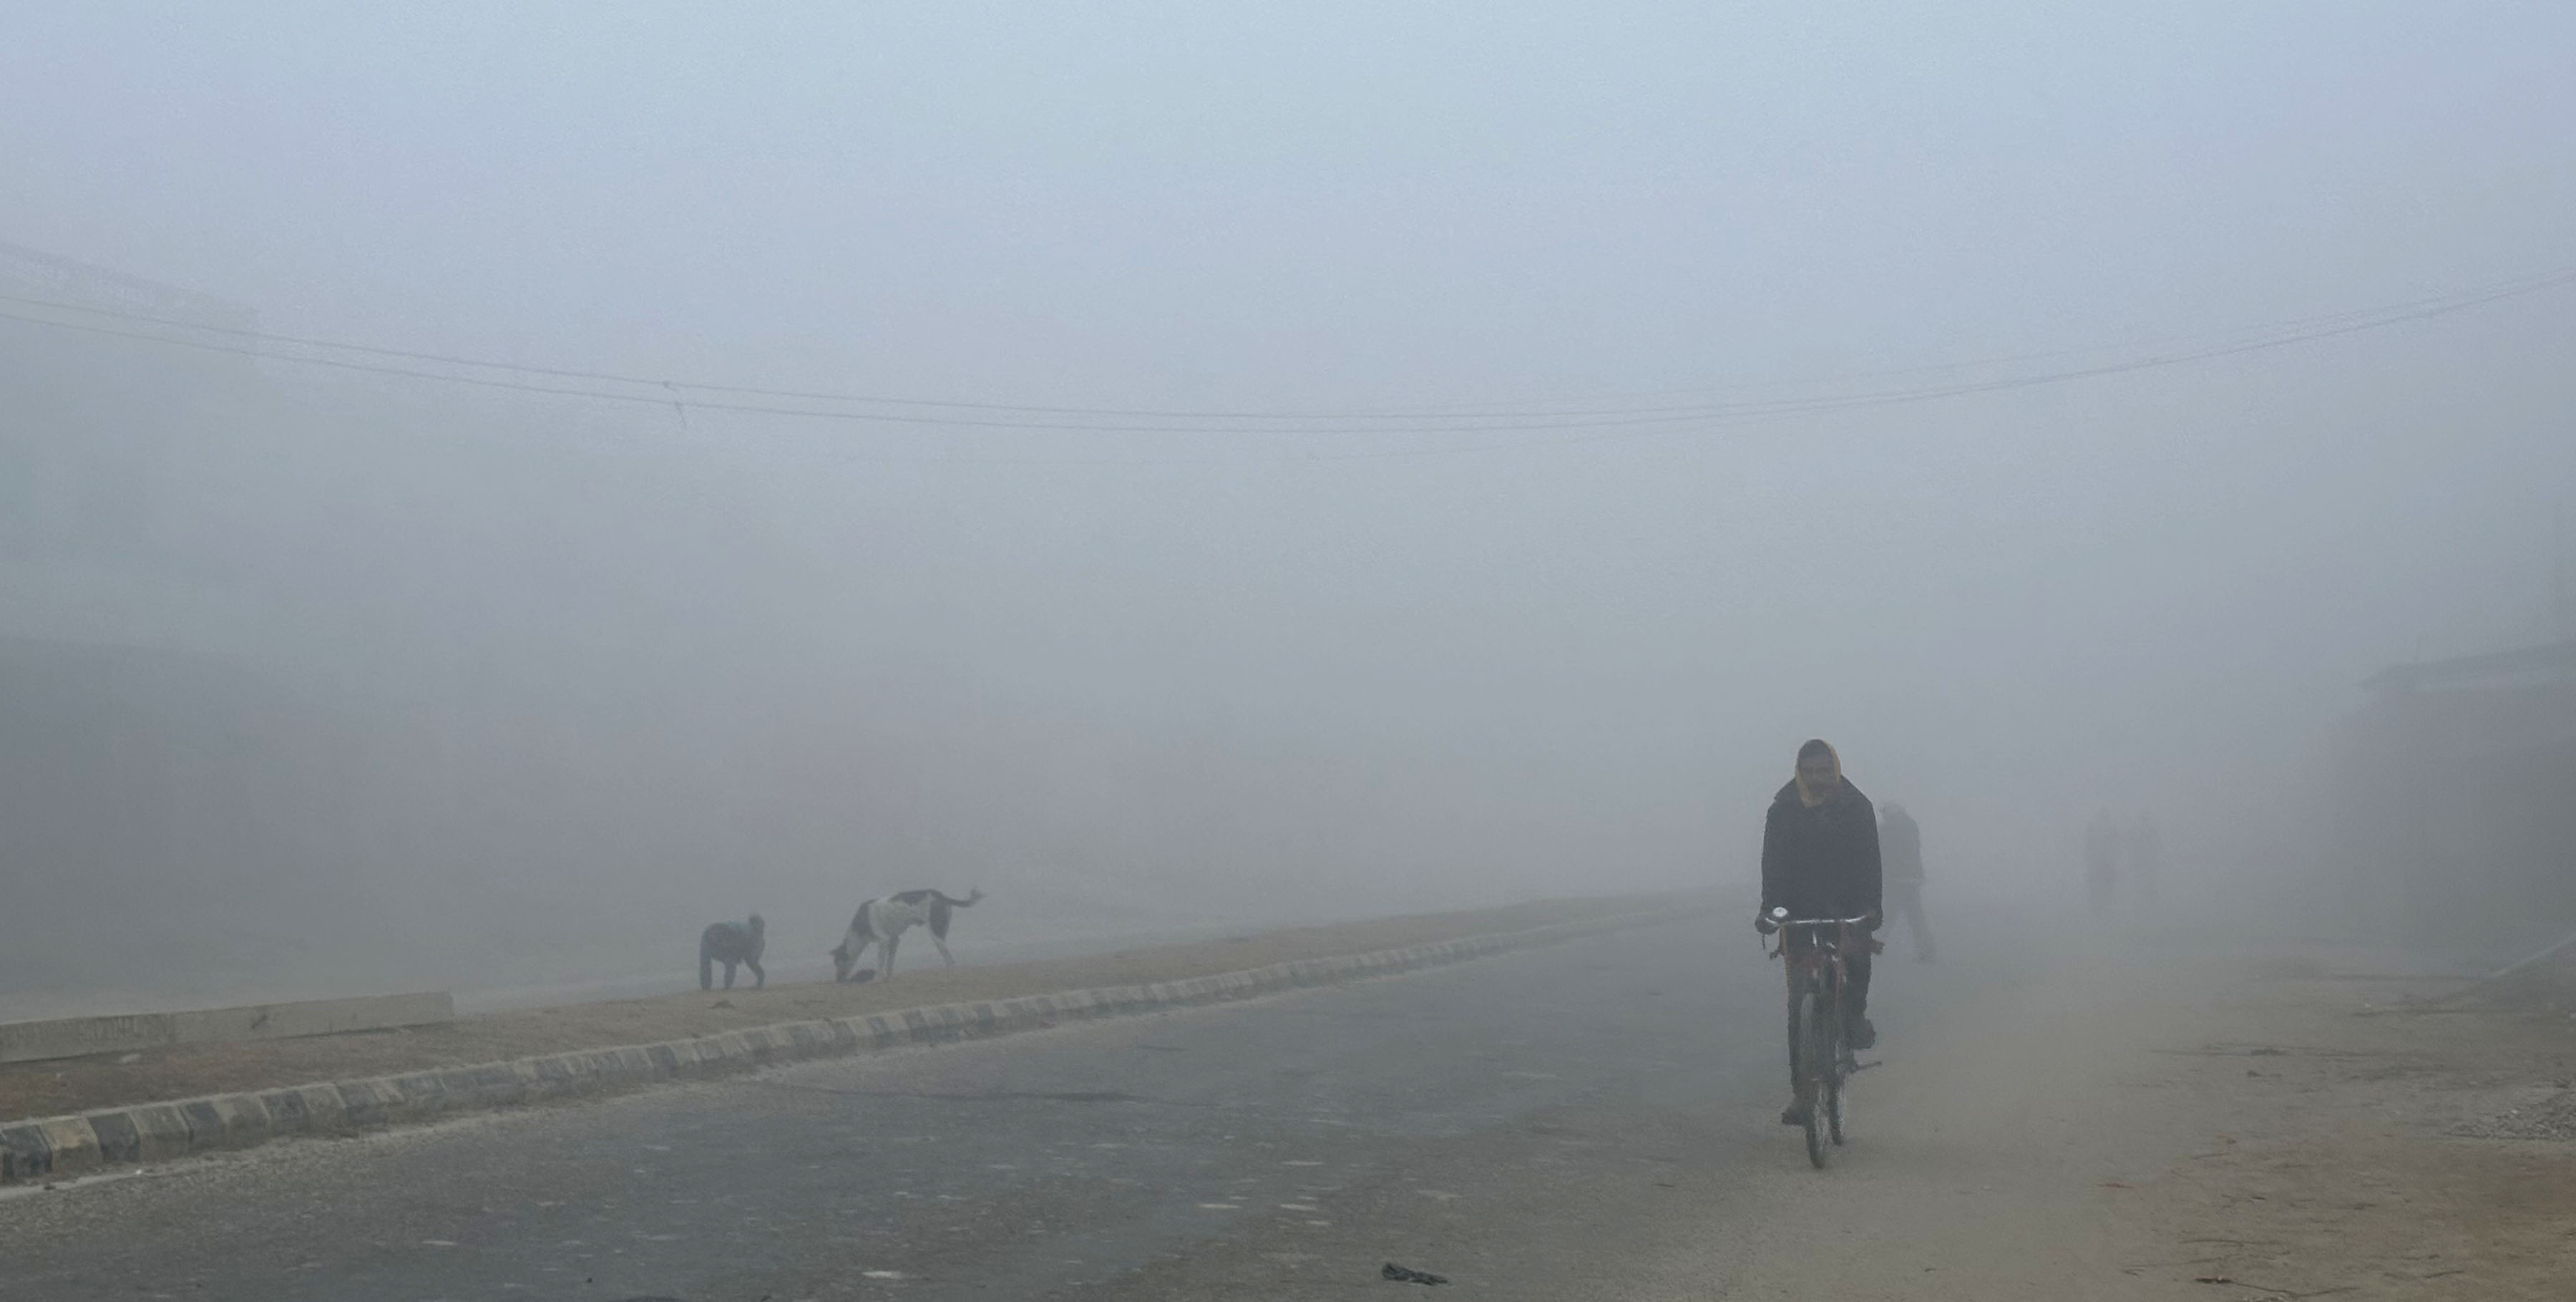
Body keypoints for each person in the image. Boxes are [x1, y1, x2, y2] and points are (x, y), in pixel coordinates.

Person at [1756, 739, 1883, 1127]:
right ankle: (1803, 1094)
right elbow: (1773, 866)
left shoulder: (1857, 807)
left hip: (1846, 910)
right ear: (1800, 772)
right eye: (1810, 772)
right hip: (1798, 915)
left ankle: (1854, 1018)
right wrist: (1772, 911)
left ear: (1836, 770)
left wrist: (1870, 909)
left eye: (1825, 772)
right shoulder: (1782, 811)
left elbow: (1869, 862)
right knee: (1799, 1009)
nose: (1818, 779)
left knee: (1857, 963)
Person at [1878, 801, 1935, 962]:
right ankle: (1927, 951)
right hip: (1911, 879)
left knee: (1888, 915)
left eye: (1885, 813)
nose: (1883, 816)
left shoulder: (1888, 829)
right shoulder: (1910, 825)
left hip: (1897, 880)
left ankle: (1873, 947)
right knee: (1915, 917)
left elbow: (1883, 853)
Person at [2084, 808, 2121, 916]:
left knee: (2098, 884)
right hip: (2103, 861)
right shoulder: (2110, 828)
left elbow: (2088, 845)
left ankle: (2098, 906)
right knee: (2106, 884)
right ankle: (2103, 905)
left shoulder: (2094, 828)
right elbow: (2116, 844)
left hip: (2100, 862)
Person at [2127, 810, 2160, 907]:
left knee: (2143, 879)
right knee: (2145, 879)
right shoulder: (2148, 830)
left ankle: (2145, 900)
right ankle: (2147, 900)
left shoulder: (2140, 830)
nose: (2143, 822)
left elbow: (2133, 845)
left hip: (2144, 859)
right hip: (2144, 859)